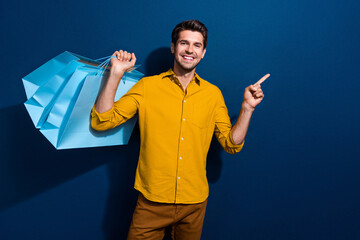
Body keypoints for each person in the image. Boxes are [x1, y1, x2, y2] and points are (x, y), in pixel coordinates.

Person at [91, 19, 268, 240]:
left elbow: (232, 145)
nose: (190, 50)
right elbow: (102, 121)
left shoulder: (213, 95)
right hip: (152, 202)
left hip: (194, 205)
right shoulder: (148, 87)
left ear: (203, 52)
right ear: (174, 47)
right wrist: (115, 73)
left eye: (197, 45)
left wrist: (247, 108)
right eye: (184, 43)